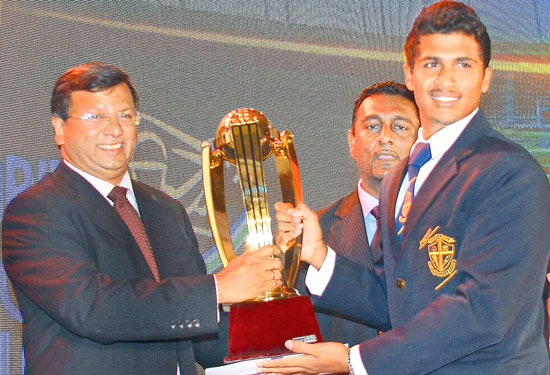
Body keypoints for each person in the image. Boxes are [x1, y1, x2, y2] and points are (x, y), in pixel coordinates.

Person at [260, 1, 550, 374]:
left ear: (486, 78)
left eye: (463, 64)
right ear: (410, 74)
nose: (446, 81)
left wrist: (354, 360)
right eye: (432, 64)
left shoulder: (511, 173)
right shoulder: (401, 177)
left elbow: (482, 311)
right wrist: (319, 255)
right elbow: (396, 298)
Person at [2, 62, 284, 375]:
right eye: (96, 116)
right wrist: (218, 287)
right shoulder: (37, 210)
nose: (114, 129)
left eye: (125, 115)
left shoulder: (166, 209)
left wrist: (288, 346)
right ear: (59, 128)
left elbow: (199, 334)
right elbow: (93, 308)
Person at [300, 81, 419, 345]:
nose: (384, 137)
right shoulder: (312, 234)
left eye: (400, 127)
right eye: (372, 126)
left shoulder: (445, 225)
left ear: (420, 143)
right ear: (351, 141)